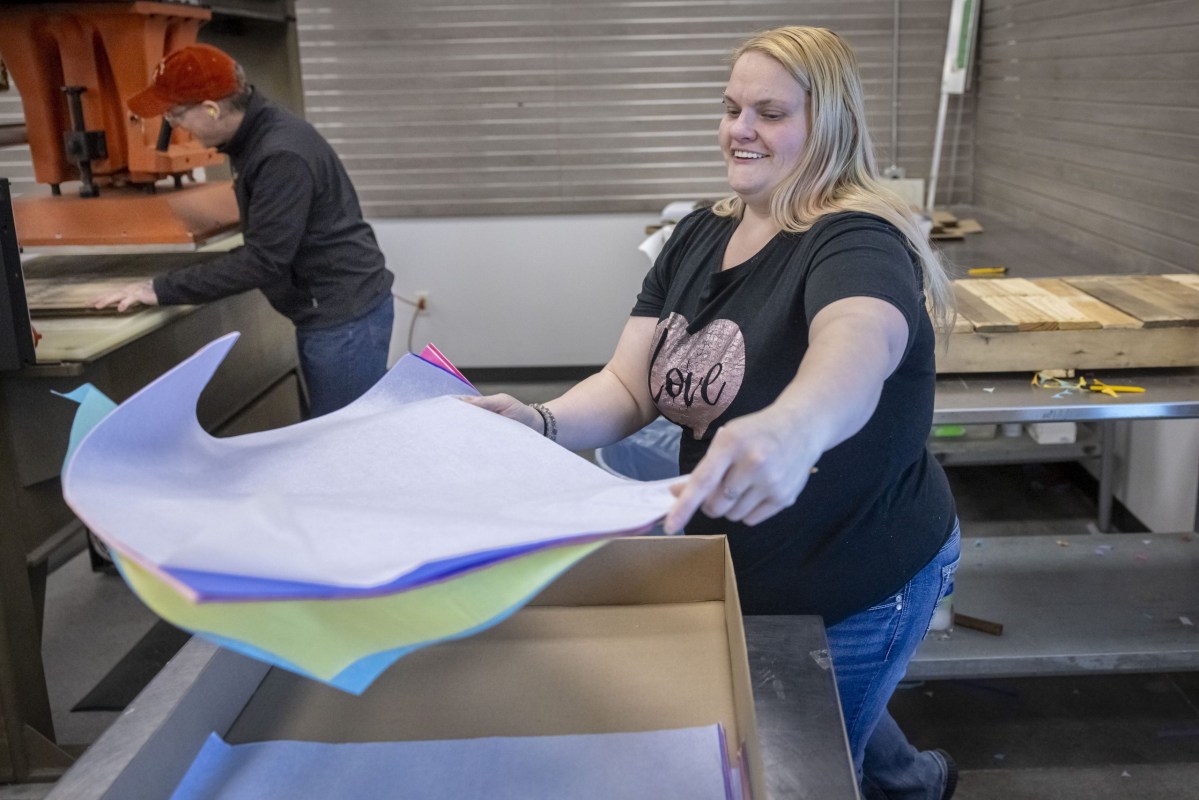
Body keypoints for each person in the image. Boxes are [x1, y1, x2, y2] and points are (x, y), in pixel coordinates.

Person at [465, 26, 961, 800]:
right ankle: (912, 777)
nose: (739, 129)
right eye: (731, 107)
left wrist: (794, 425)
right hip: (745, 566)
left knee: (821, 749)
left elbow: (859, 338)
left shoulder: (854, 237)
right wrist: (541, 422)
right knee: (831, 713)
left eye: (768, 112)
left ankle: (912, 787)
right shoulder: (700, 232)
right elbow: (629, 387)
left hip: (860, 570)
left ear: (826, 123)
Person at [93, 44, 395, 418]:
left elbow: (264, 261)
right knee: (340, 432)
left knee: (342, 440)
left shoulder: (279, 153)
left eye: (175, 113)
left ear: (211, 108)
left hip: (344, 319)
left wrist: (158, 289)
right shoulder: (256, 137)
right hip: (337, 310)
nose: (173, 125)